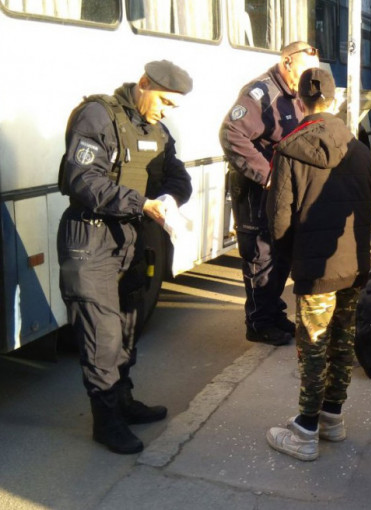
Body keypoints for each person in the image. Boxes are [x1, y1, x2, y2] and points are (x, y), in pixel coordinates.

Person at [57, 60, 193, 454]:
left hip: (132, 239)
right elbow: (83, 180)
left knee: (129, 327)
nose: (165, 112)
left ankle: (123, 400)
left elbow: (178, 177)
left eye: (173, 106)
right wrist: (142, 203)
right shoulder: (97, 116)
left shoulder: (158, 130)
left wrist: (168, 199)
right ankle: (106, 421)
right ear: (144, 83)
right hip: (91, 240)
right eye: (164, 101)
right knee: (103, 337)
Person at [265, 68, 371, 461]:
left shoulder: (289, 149)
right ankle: (332, 416)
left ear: (299, 102)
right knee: (342, 340)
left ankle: (306, 429)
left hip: (315, 267)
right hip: (354, 263)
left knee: (313, 346)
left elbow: (279, 220)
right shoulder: (359, 149)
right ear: (334, 100)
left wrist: (290, 259)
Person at [219, 41, 320, 346]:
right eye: (305, 70)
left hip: (282, 190)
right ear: (287, 62)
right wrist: (267, 175)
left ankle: (273, 313)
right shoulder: (260, 93)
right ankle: (259, 323)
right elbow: (231, 133)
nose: (309, 78)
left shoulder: (296, 94)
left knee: (281, 254)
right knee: (261, 257)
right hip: (256, 190)